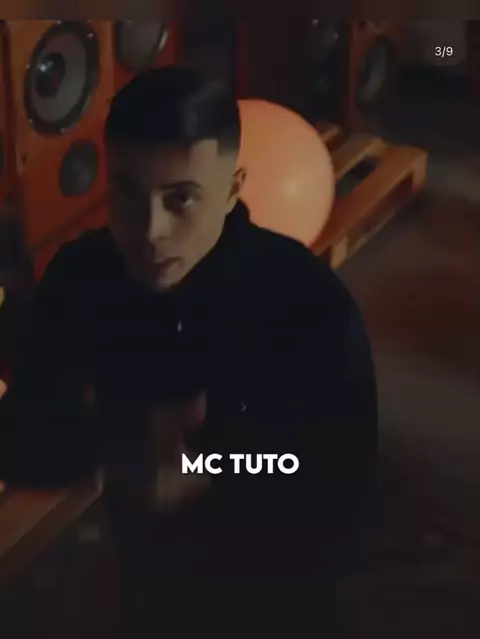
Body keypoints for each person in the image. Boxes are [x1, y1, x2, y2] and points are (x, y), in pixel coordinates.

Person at [0, 67, 377, 633]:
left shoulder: (307, 302)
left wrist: (204, 465)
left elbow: (341, 475)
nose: (149, 229)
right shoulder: (82, 276)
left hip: (277, 582)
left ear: (231, 191)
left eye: (180, 199)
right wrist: (110, 444)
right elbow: (26, 437)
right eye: (128, 193)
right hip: (145, 570)